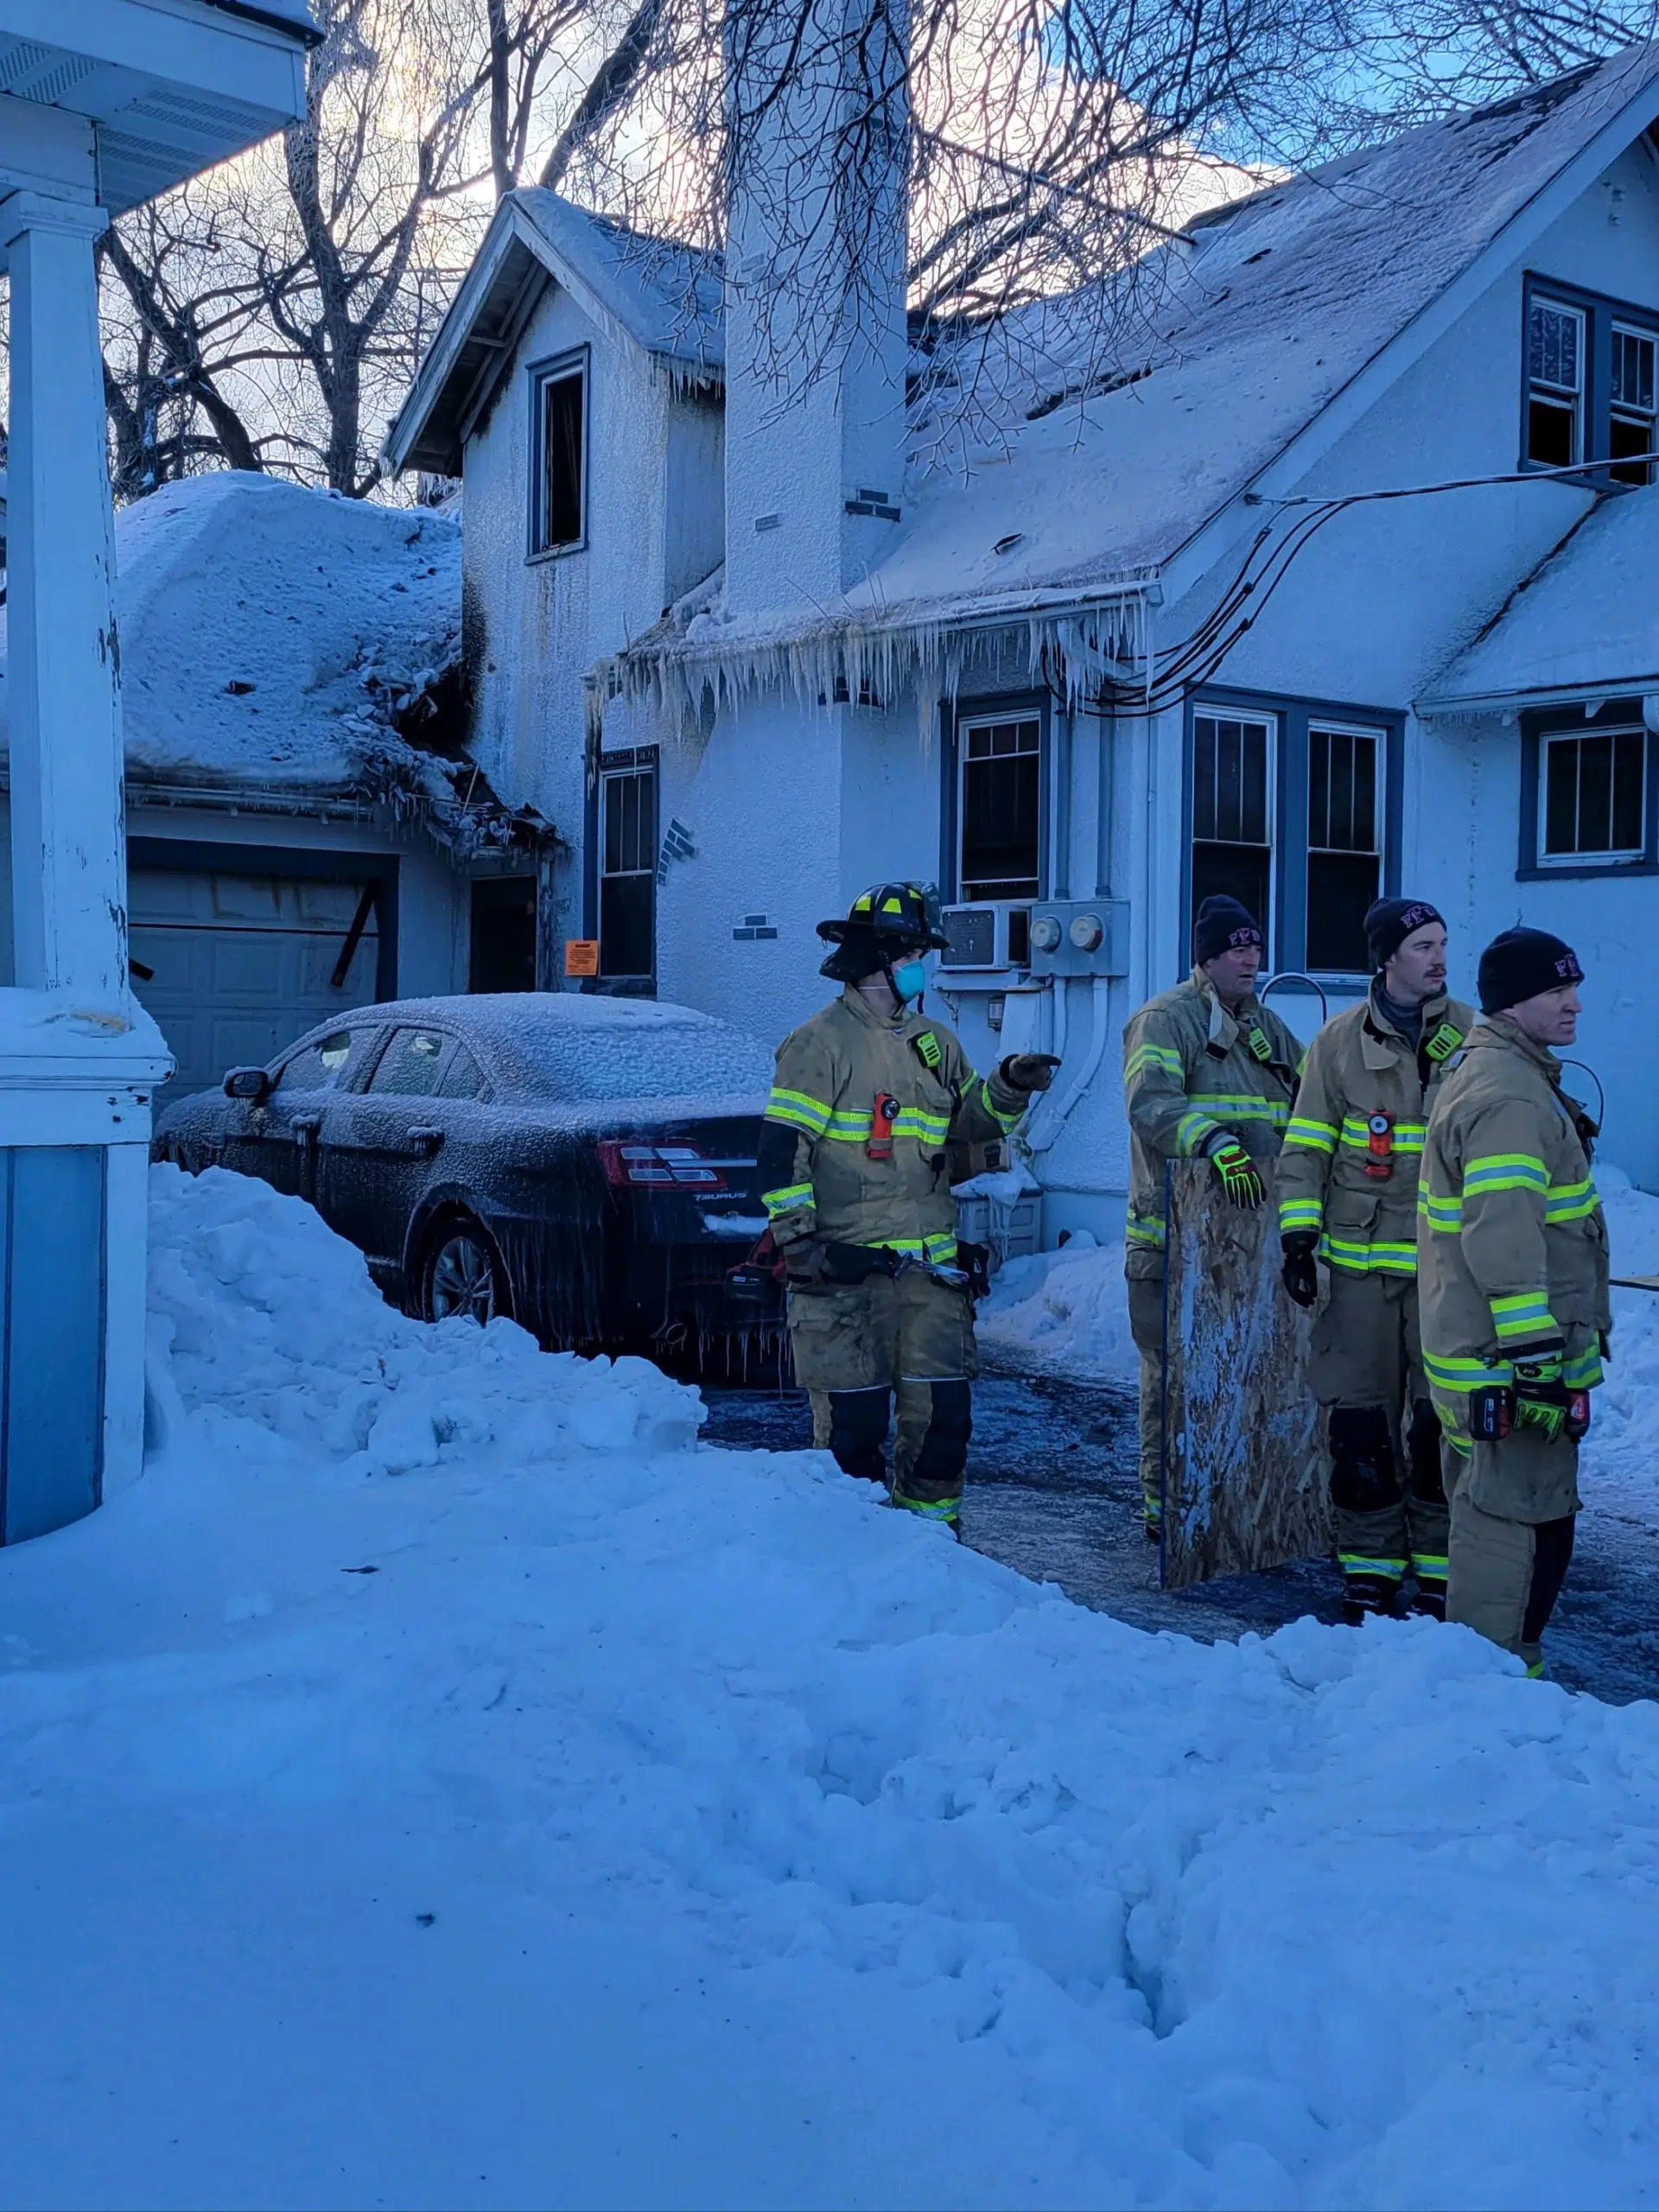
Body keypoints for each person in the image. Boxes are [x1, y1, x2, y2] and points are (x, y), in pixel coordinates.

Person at [755, 883, 1058, 1533]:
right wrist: (797, 1243)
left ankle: (935, 1562)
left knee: (943, 1429)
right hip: (847, 1279)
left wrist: (1009, 1085)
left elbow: (969, 1127)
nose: (925, 965)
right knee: (851, 1442)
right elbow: (783, 1150)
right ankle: (856, 1576)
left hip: (932, 1283)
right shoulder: (821, 1043)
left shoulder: (934, 1043)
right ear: (878, 958)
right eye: (915, 952)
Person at [1273, 898, 1476, 1623]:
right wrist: (1298, 1239)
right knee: (1358, 1427)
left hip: (1446, 1277)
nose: (1439, 958)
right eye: (1423, 946)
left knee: (1435, 1430)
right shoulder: (1335, 1044)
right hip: (1358, 1275)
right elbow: (1305, 1147)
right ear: (1386, 957)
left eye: (1443, 944)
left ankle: (1443, 1568)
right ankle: (1370, 1569)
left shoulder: (1473, 1039)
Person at [1417, 928, 1609, 1677]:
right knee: (1510, 1519)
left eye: (1573, 986)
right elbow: (1503, 1234)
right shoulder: (1507, 1094)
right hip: (1512, 1359)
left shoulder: (1503, 1074)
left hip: (1497, 1348)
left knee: (1514, 1506)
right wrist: (1533, 1360)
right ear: (1511, 1003)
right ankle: (1496, 1683)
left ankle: (1498, 1678)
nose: (1573, 1004)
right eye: (1556, 991)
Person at [1122, 895, 1302, 1540]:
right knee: (1175, 1375)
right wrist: (1216, 1143)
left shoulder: (1268, 1030)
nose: (1251, 958)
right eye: (1237, 948)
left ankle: (1232, 1504)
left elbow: (1310, 1110)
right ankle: (1164, 1505)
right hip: (1174, 1239)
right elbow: (1152, 1104)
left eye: (1255, 947)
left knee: (1245, 1373)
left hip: (1248, 1243)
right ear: (1206, 957)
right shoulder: (1165, 1020)